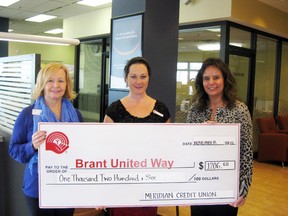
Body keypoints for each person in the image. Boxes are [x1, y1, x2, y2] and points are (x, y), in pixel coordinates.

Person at [9, 63, 83, 216]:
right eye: (50, 80)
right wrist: (33, 146)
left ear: (67, 84)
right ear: (42, 84)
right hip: (38, 187)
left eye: (61, 81)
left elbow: (82, 150)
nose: (56, 85)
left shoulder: (76, 115)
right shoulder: (27, 114)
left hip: (67, 185)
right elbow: (14, 150)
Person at [103, 56, 171, 216]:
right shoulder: (114, 110)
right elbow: (104, 149)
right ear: (126, 79)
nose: (138, 81)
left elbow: (169, 146)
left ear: (149, 78)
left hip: (150, 182)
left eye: (143, 76)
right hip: (121, 183)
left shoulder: (161, 109)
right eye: (133, 76)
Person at [186, 58, 253, 216]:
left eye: (216, 77)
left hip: (226, 185)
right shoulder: (195, 109)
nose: (211, 82)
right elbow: (187, 148)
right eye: (206, 78)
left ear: (225, 79)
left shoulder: (239, 110)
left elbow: (246, 153)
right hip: (199, 183)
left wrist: (243, 190)